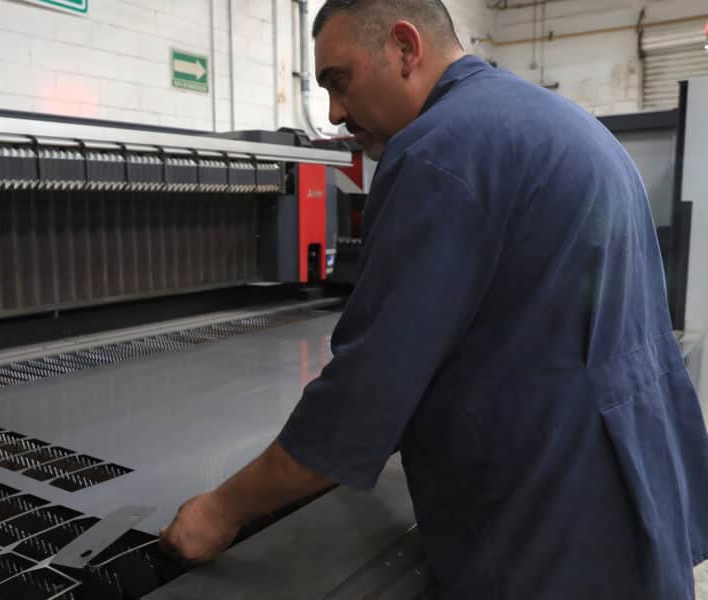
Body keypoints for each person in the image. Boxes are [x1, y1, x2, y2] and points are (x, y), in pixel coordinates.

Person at [159, 0, 708, 598]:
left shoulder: (439, 150)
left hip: (553, 524)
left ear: (404, 47)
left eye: (338, 83)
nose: (335, 113)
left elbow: (364, 398)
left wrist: (221, 509)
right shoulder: (555, 120)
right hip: (635, 481)